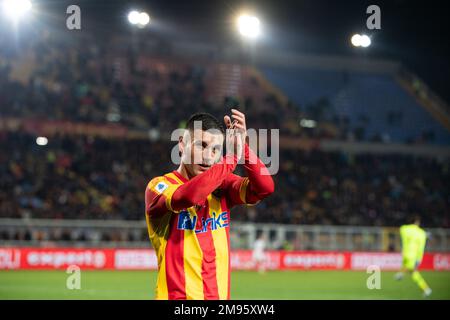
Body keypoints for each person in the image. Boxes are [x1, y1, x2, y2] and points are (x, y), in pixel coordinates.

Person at [145, 109, 275, 300]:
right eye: (201, 145)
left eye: (215, 149)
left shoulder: (223, 185)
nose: (208, 156)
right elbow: (187, 197)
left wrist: (243, 148)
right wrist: (230, 159)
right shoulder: (159, 186)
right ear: (181, 143)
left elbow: (265, 188)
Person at [394, 215, 432, 297]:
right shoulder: (421, 233)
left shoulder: (404, 229)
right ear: (417, 222)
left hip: (405, 253)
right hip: (414, 255)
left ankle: (426, 289)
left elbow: (401, 230)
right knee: (412, 271)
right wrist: (419, 258)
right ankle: (426, 289)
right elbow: (421, 247)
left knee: (411, 270)